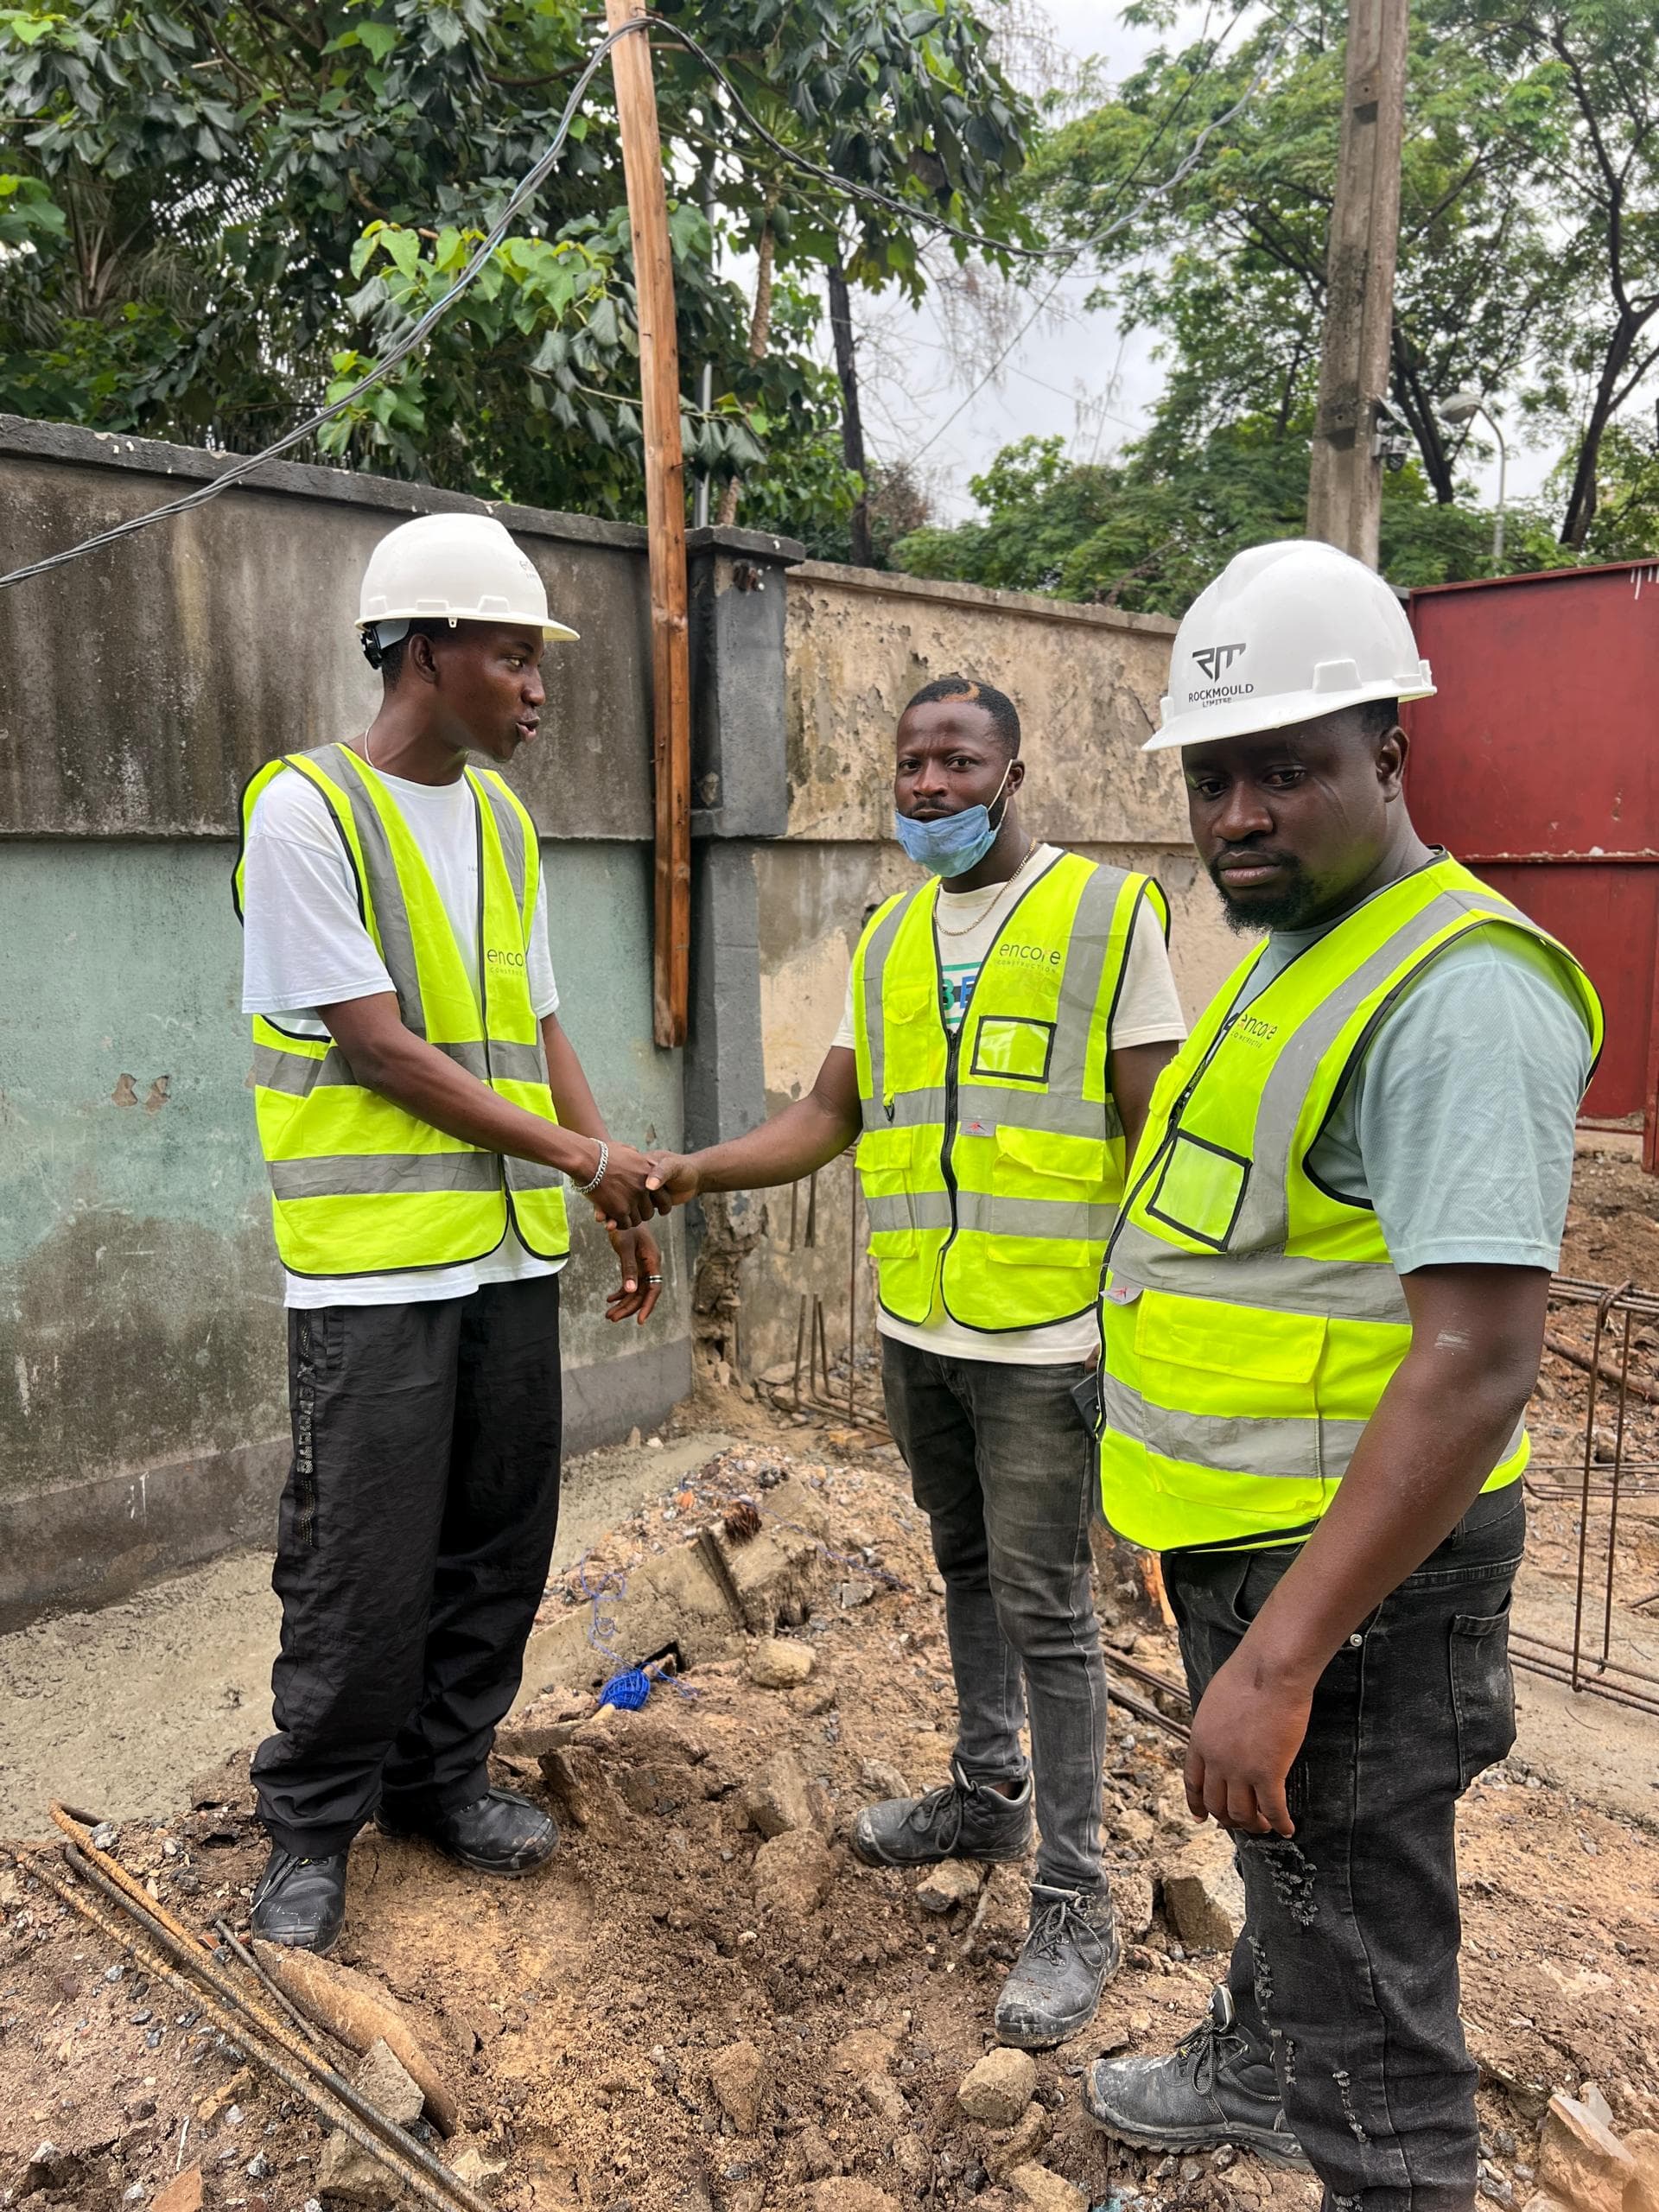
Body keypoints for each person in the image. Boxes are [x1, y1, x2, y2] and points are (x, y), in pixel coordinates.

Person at [1082, 541, 1602, 2204]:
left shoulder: (1455, 993)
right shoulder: (1304, 946)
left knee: (1373, 2003)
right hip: (1268, 1543)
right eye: (1214, 776)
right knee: (1290, 1864)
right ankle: (1253, 2060)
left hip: (1358, 1588)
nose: (1238, 812)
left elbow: (1477, 1360)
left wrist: (1286, 1656)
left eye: (1286, 770)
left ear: (1392, 752)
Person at [644, 674, 1186, 2046]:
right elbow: (830, 1111)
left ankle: (1076, 1898)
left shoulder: (1109, 916)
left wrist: (1157, 1327)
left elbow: (1160, 1130)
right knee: (961, 1572)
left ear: (1014, 771)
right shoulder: (884, 937)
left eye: (958, 761)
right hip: (919, 1330)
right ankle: (986, 1796)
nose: (929, 787)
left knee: (1050, 1610)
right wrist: (693, 1171)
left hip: (1047, 1342)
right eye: (910, 766)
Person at [232, 511, 670, 1955]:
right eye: (511, 655)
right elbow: (378, 1048)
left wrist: (599, 1186)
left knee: (499, 1538)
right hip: (371, 1275)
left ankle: (441, 1780)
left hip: (505, 1253)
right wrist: (589, 1151)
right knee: (361, 1560)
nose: (539, 686)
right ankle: (309, 1823)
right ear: (424, 650)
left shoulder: (499, 817)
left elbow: (534, 1023)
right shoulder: (305, 809)